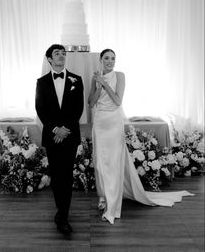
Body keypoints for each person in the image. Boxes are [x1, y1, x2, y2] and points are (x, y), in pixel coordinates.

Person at [88, 48, 194, 225]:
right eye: (106, 58)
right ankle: (104, 196)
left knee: (113, 162)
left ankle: (112, 205)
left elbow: (117, 100)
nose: (110, 61)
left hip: (114, 123)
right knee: (100, 162)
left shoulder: (120, 76)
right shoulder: (95, 76)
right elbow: (91, 102)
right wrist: (98, 86)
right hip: (99, 123)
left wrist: (104, 84)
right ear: (100, 59)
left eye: (113, 58)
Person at [35, 44, 84, 234]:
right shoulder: (42, 82)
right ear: (49, 59)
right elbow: (41, 109)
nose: (62, 56)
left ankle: (63, 215)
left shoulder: (76, 80)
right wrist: (56, 129)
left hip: (70, 136)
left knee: (67, 174)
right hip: (52, 136)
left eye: (63, 53)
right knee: (56, 176)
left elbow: (78, 108)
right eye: (57, 53)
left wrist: (65, 130)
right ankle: (61, 211)